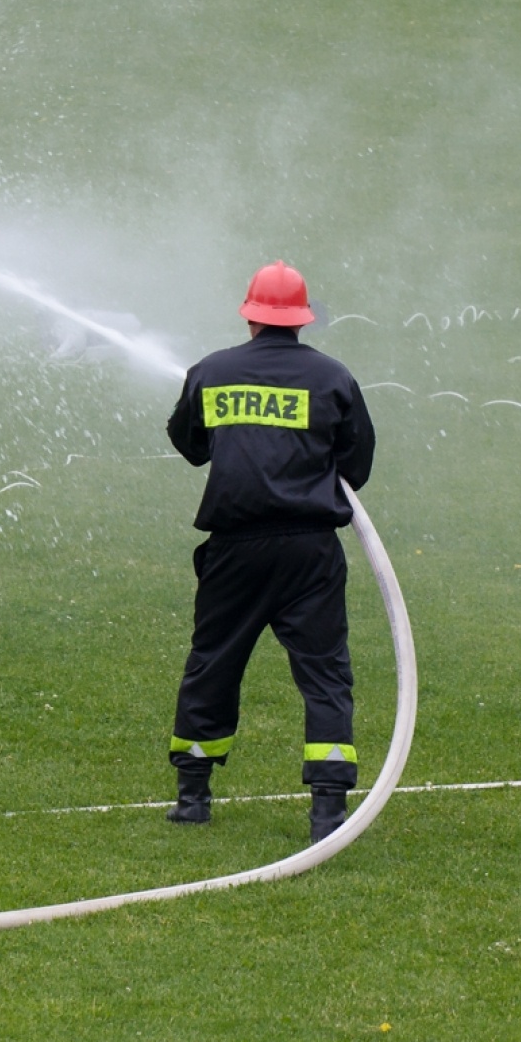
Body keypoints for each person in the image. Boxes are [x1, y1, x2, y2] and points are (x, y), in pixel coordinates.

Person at [164, 261, 376, 843]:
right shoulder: (333, 378)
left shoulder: (212, 372)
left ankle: (193, 797)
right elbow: (356, 467)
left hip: (234, 551)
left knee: (214, 662)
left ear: (252, 317)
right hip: (310, 552)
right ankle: (328, 810)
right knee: (325, 672)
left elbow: (191, 447)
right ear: (301, 319)